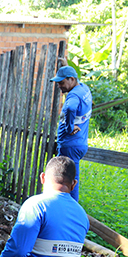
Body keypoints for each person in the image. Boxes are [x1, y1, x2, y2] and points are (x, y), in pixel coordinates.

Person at [50, 65, 92, 201]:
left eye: (61, 83)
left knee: (66, 181)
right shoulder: (83, 89)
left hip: (69, 145)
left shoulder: (73, 95)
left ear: (72, 79)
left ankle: (70, 211)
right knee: (70, 178)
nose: (59, 86)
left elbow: (70, 108)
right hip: (79, 143)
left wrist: (68, 128)